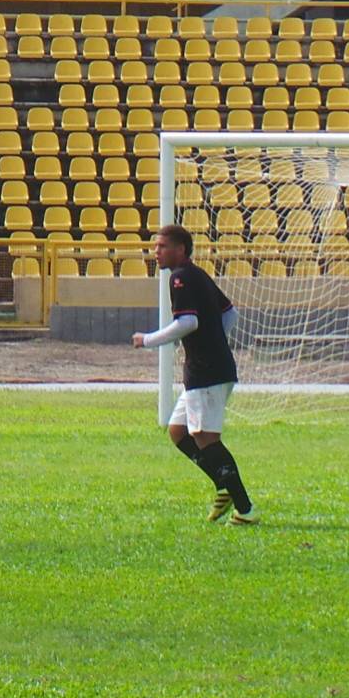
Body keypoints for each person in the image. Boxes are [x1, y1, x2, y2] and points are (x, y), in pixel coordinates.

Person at [132, 224, 256, 526]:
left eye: (162, 246)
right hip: (205, 368)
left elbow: (187, 322)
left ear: (181, 249)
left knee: (205, 437)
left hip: (208, 371)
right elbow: (230, 313)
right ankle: (222, 485)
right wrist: (214, 340)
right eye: (156, 246)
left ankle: (246, 509)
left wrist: (148, 340)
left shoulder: (181, 278)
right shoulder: (196, 274)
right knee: (178, 431)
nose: (156, 252)